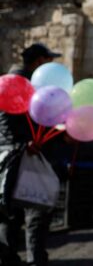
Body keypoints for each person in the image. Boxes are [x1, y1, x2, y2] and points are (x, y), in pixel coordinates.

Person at [0, 44, 62, 265]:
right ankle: (30, 259)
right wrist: (22, 143)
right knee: (32, 208)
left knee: (14, 211)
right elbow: (6, 120)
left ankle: (15, 258)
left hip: (20, 153)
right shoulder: (16, 82)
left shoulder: (30, 83)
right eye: (48, 61)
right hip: (19, 154)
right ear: (38, 62)